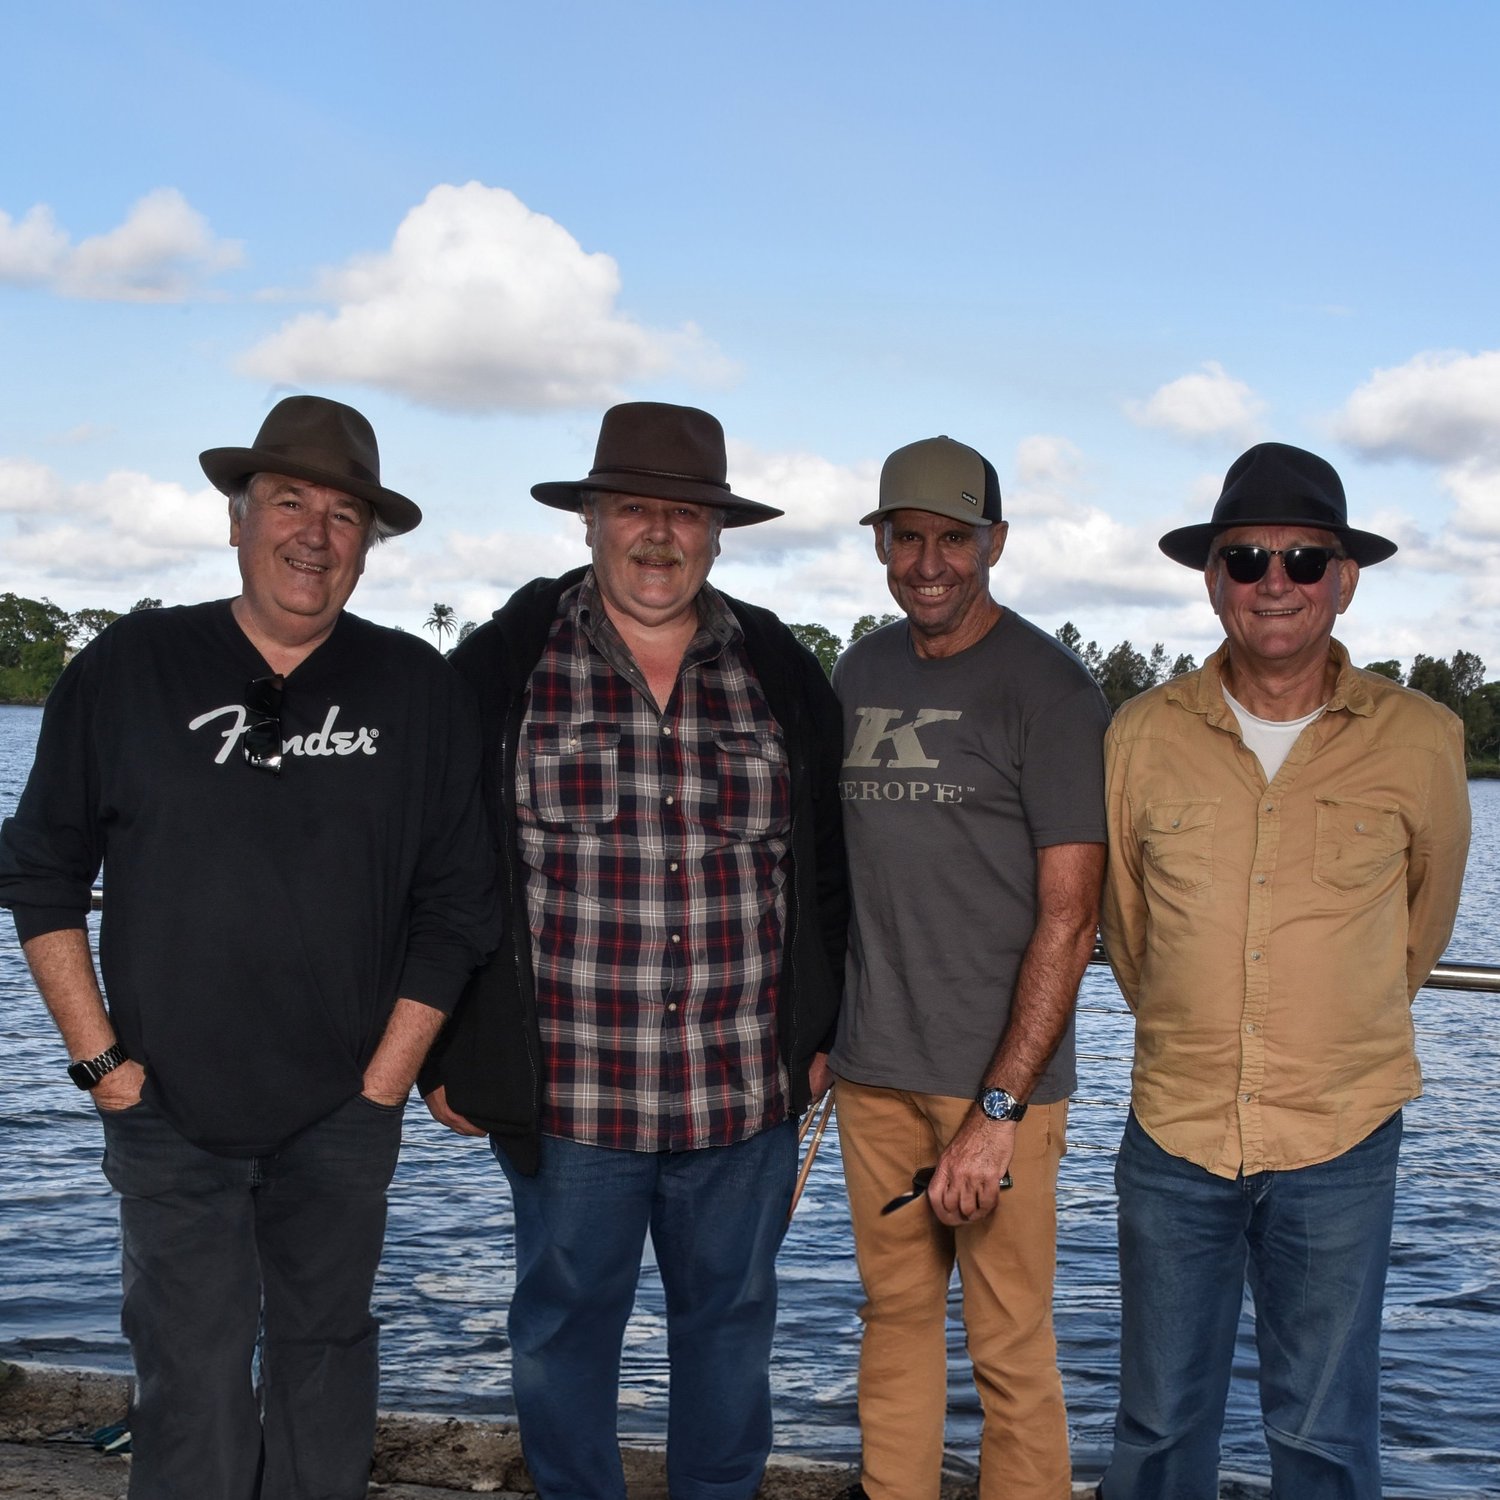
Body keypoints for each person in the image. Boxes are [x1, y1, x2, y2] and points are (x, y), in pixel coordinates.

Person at [0, 395, 498, 1500]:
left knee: (327, 1363)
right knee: (190, 1378)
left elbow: (460, 904)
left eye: (344, 514)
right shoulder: (131, 665)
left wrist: (384, 1084)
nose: (314, 534)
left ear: (367, 544)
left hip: (344, 1113)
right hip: (164, 1109)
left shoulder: (416, 686)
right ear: (237, 519)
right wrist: (102, 1065)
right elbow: (38, 872)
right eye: (288, 502)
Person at [420, 401, 847, 1500]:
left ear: (718, 534)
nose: (659, 535)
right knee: (560, 1336)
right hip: (570, 1097)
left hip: (741, 1095)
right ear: (591, 521)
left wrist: (821, 1031)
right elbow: (436, 867)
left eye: (686, 514)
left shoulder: (779, 670)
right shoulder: (503, 665)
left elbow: (827, 873)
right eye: (633, 511)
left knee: (732, 1336)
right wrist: (445, 1049)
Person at [1098, 442, 1471, 1499]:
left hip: (1340, 1135)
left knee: (1325, 1432)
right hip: (1177, 1131)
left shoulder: (1424, 739)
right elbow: (1128, 929)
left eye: (1304, 560)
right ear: (1212, 579)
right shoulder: (1138, 735)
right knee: (1158, 1426)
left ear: (1345, 580)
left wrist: (1329, 1026)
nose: (1276, 581)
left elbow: (1422, 927)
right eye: (1247, 557)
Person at [829, 435, 1110, 1500]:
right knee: (893, 1320)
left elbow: (1072, 917)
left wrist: (999, 1110)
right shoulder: (860, 671)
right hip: (872, 1072)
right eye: (908, 538)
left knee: (1009, 1343)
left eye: (954, 538)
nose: (929, 563)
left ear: (995, 542)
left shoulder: (1052, 689)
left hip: (1001, 1086)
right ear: (881, 544)